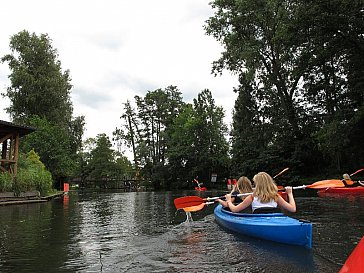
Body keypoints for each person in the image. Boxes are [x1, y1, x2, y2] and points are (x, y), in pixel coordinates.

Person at [225, 172, 296, 214]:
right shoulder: (276, 196)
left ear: (257, 185)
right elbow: (293, 209)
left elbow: (234, 210)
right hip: (273, 220)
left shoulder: (251, 197)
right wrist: (290, 193)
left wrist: (228, 200)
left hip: (258, 221)